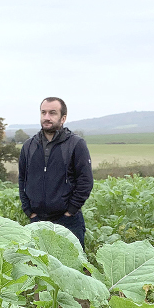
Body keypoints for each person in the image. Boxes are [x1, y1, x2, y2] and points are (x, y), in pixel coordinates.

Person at [18, 97, 93, 247]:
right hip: (38, 220)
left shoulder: (76, 145)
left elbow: (85, 181)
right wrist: (29, 211)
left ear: (63, 118)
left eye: (52, 113)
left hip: (68, 221)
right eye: (43, 112)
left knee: (73, 267)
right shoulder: (29, 146)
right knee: (40, 267)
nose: (47, 117)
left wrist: (70, 211)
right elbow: (22, 179)